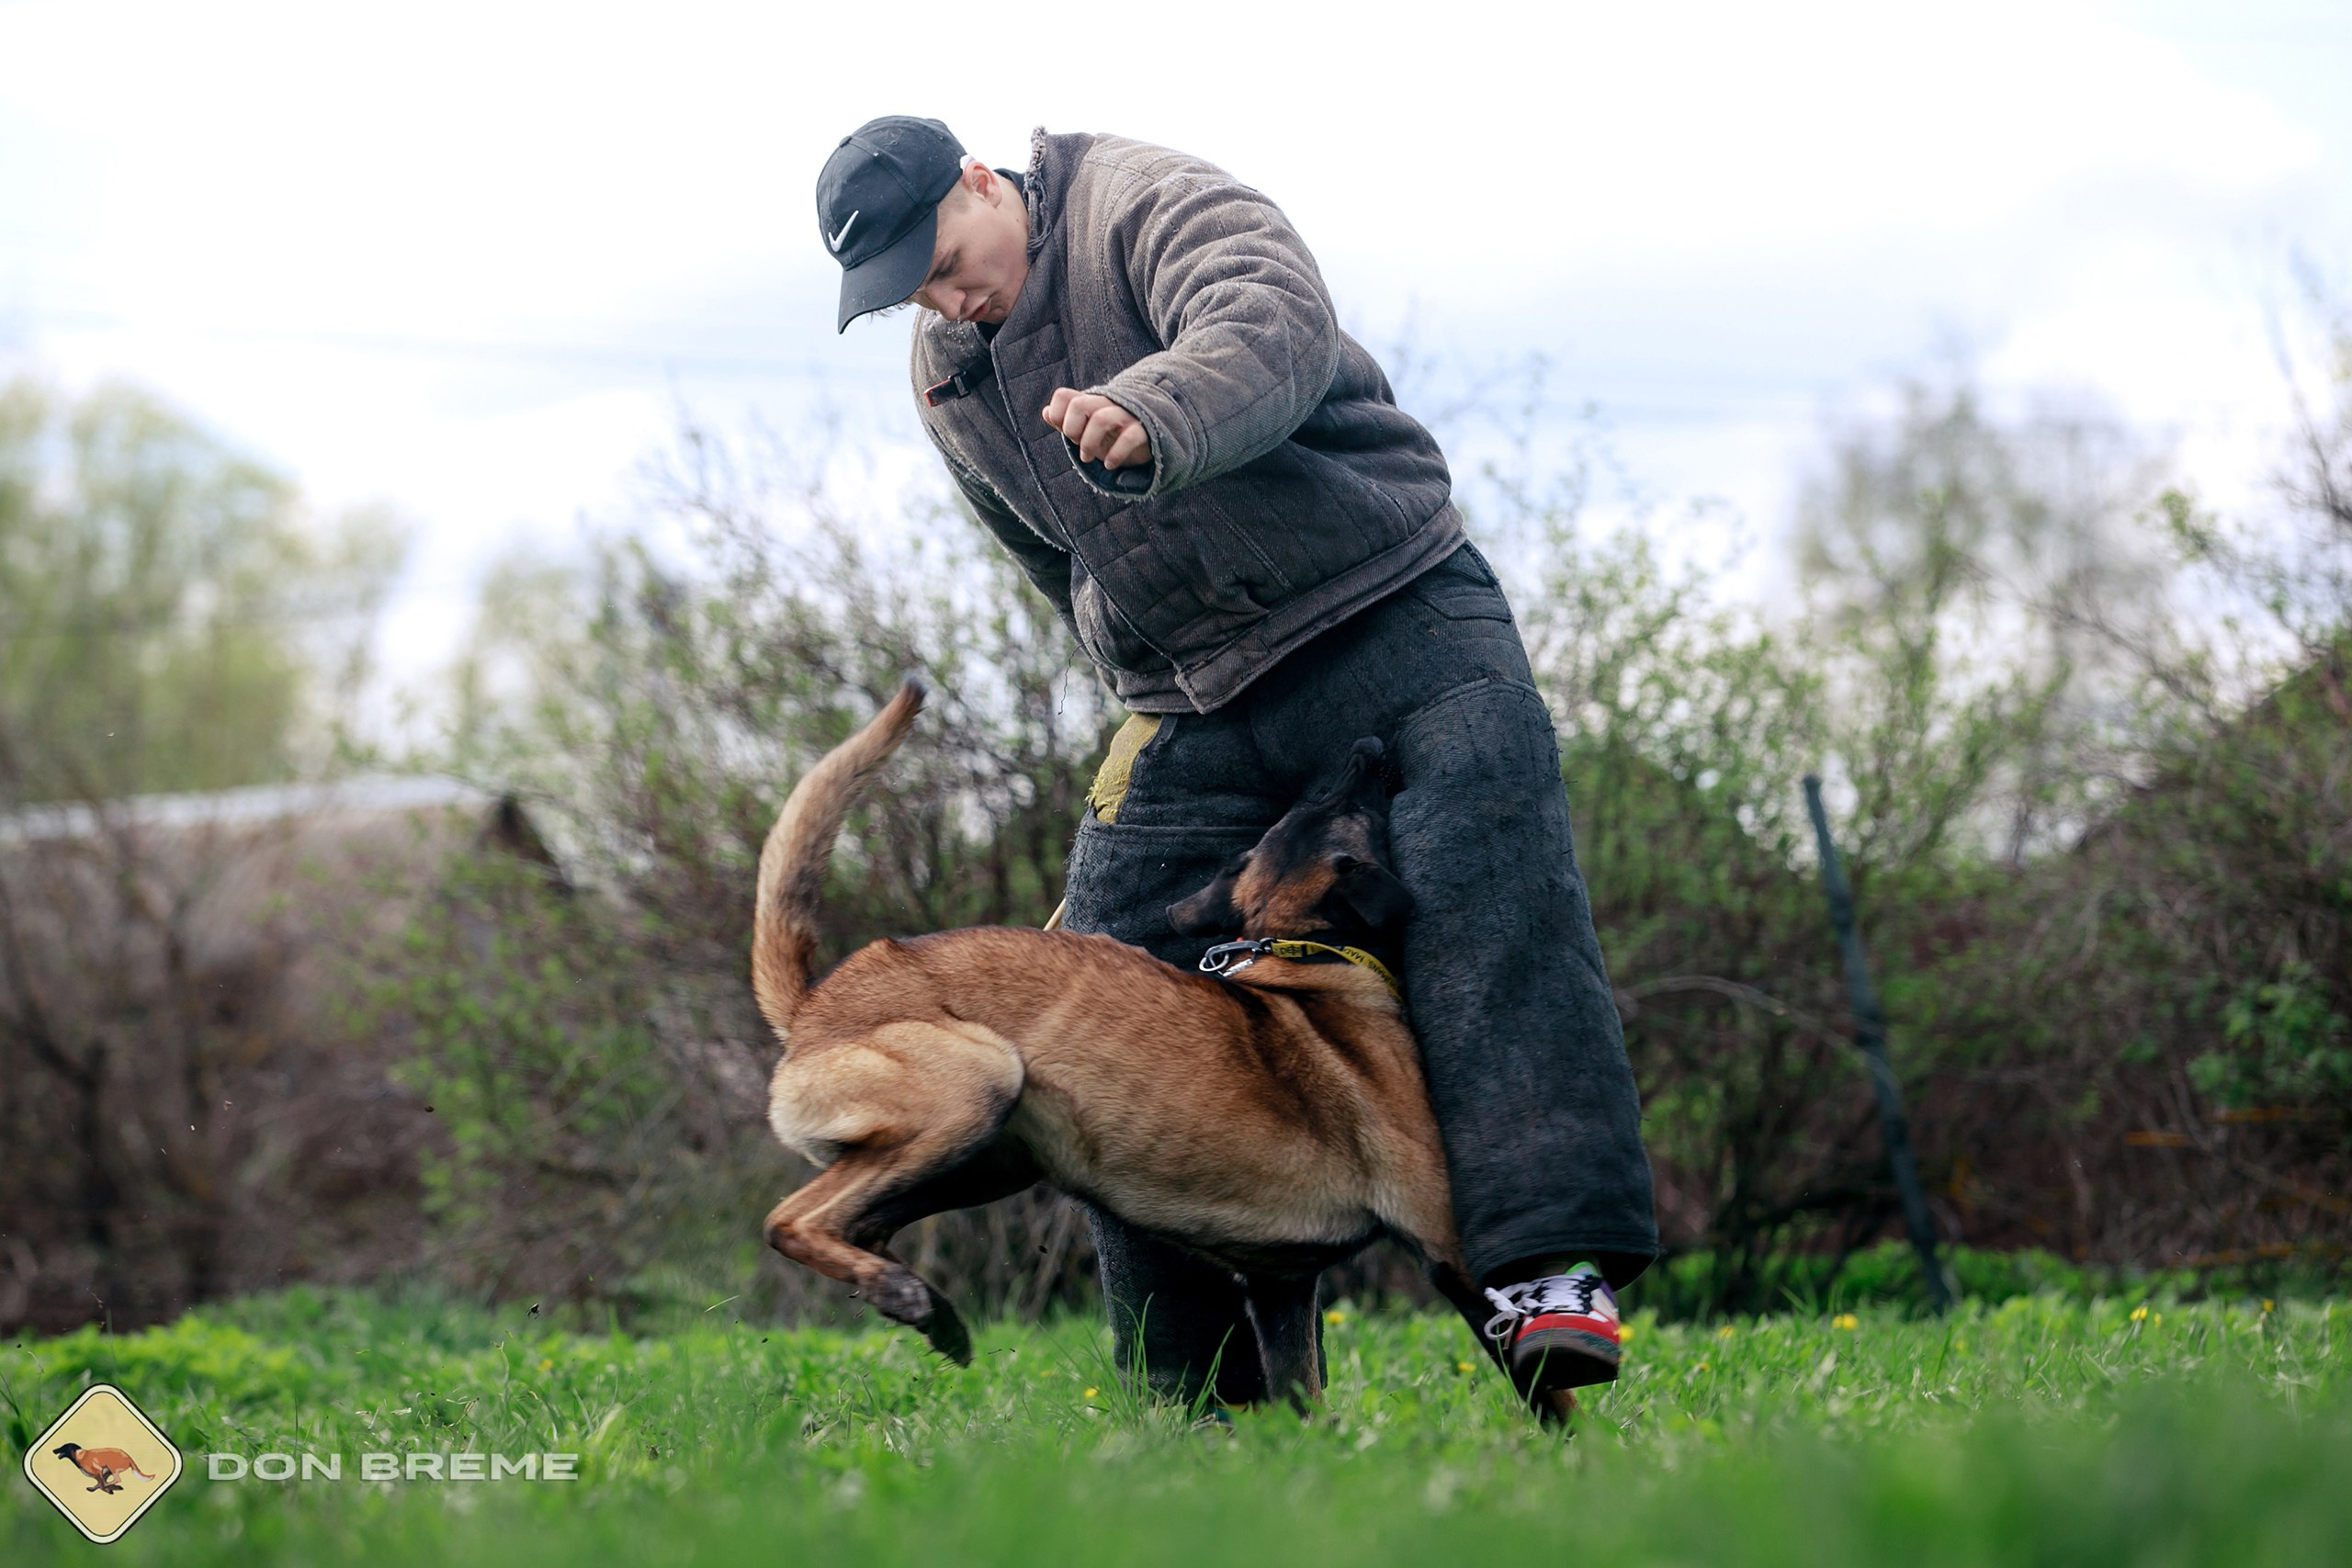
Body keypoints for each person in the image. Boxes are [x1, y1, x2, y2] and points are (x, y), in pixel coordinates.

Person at [814, 114, 1657, 1415]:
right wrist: (1128, 659)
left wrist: (1148, 409)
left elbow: (1272, 321)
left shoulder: (1139, 202)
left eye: (943, 262)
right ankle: (1200, 1392)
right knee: (1104, 977)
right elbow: (1051, 555)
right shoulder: (949, 378)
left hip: (1394, 615)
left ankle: (1543, 1281)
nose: (945, 302)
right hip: (1195, 696)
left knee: (1487, 910)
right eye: (911, 295)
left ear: (981, 181)